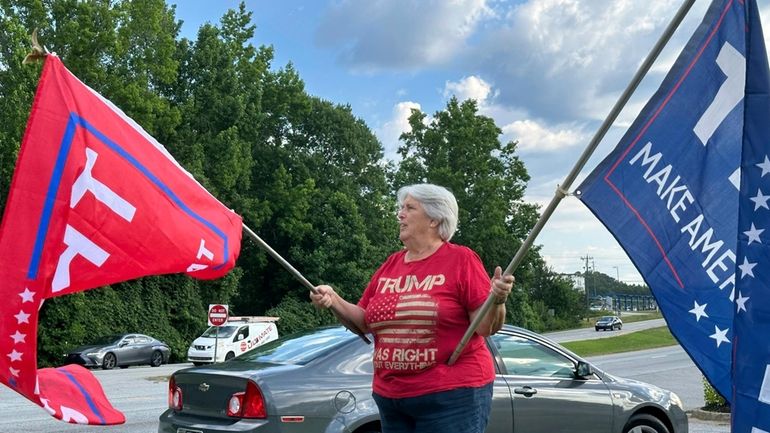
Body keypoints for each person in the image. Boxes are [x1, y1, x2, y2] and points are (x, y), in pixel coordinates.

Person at [310, 183, 514, 433]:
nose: (400, 214)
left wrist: (497, 300)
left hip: (451, 396)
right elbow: (364, 321)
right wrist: (334, 299)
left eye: (409, 208)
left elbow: (485, 327)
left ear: (434, 219)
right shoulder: (391, 264)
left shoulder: (461, 259)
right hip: (391, 397)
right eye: (401, 207)